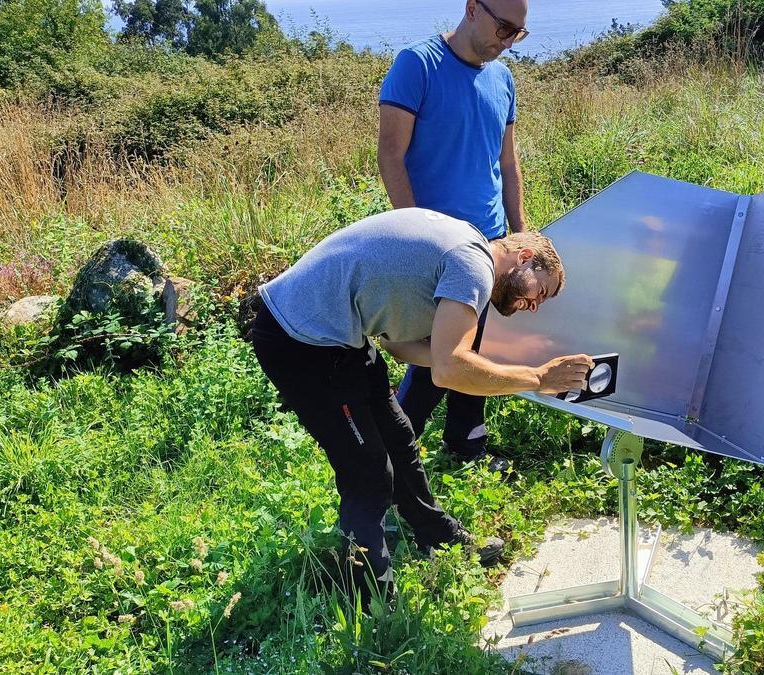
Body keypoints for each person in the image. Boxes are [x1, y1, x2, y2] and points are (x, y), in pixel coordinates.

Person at [249, 207, 591, 601]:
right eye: (539, 292)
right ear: (525, 257)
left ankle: (439, 538)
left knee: (399, 438)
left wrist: (477, 364)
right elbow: (448, 370)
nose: (532, 305)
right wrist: (537, 378)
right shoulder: (474, 265)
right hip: (301, 342)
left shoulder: (464, 245)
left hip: (346, 338)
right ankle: (373, 603)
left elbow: (399, 346)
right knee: (368, 475)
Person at [378, 0, 531, 470]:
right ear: (471, 8)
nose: (507, 41)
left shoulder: (502, 80)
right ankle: (393, 459)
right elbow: (390, 156)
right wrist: (417, 236)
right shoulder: (417, 64)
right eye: (503, 27)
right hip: (436, 249)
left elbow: (506, 163)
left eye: (518, 34)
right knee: (433, 360)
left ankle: (467, 445)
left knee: (475, 349)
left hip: (488, 242)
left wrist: (522, 231)